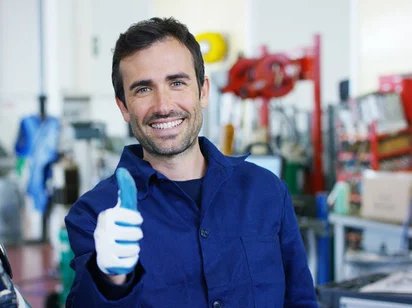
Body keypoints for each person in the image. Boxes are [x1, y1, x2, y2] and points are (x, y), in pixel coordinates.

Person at [64, 17, 318, 307]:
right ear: (123, 106)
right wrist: (108, 280)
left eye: (177, 82)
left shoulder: (266, 191)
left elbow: (300, 299)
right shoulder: (95, 214)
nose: (164, 105)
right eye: (143, 89)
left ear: (204, 91)